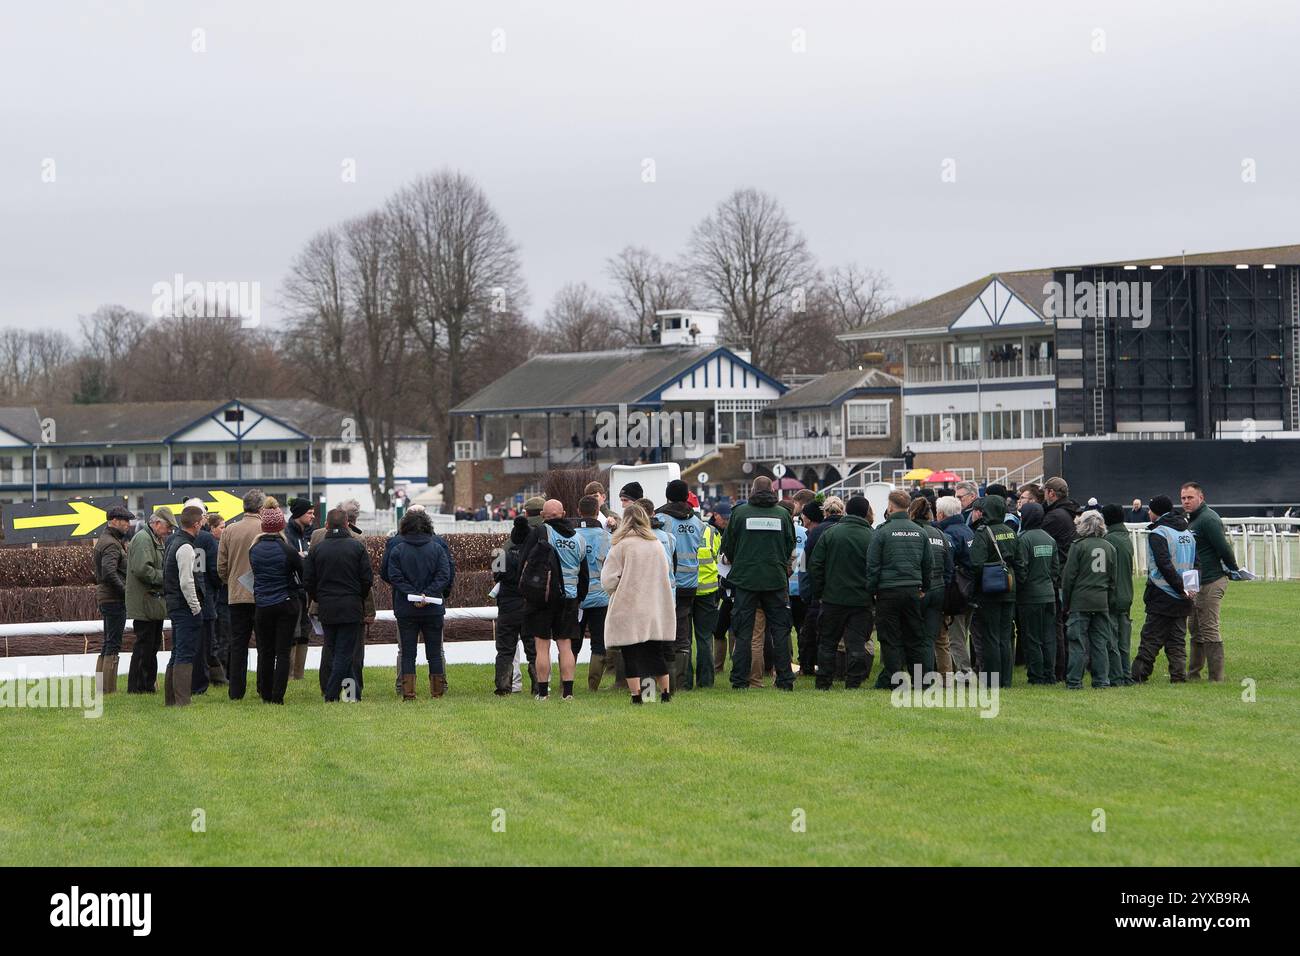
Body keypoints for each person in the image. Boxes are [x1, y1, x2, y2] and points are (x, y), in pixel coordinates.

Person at [720, 475, 797, 691]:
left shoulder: (740, 513)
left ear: (752, 490)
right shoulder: (783, 514)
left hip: (746, 581)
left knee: (743, 632)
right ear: (773, 490)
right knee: (780, 632)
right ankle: (785, 680)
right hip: (775, 579)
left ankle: (739, 680)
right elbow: (789, 545)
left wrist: (742, 561)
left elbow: (728, 546)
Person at [601, 503, 677, 704]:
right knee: (655, 652)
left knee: (631, 653)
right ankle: (665, 694)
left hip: (629, 605)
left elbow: (608, 580)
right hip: (654, 605)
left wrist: (620, 587)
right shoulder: (656, 544)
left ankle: (637, 696)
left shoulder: (621, 545)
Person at [517, 498, 589, 700]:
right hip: (569, 598)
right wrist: (578, 598)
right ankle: (568, 693)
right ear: (564, 514)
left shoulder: (540, 532)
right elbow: (584, 575)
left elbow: (524, 562)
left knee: (542, 646)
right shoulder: (579, 539)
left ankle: (542, 693)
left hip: (543, 598)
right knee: (565, 645)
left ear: (542, 516)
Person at [303, 507, 373, 701]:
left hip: (326, 606)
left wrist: (318, 597)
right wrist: (359, 596)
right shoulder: (357, 546)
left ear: (326, 525)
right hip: (351, 605)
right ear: (347, 524)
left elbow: (308, 580)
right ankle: (338, 694)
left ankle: (341, 692)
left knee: (332, 649)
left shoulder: (317, 548)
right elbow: (367, 579)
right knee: (347, 653)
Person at [386, 509, 454, 700]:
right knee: (434, 652)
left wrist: (414, 595)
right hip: (433, 607)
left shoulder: (398, 549)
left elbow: (394, 577)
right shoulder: (437, 548)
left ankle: (408, 693)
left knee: (408, 653)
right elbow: (444, 575)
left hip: (406, 608)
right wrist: (428, 594)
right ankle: (437, 692)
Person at [867, 490, 931, 688]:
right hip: (912, 590)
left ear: (891, 507)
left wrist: (872, 590)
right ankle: (921, 681)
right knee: (915, 638)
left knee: (890, 638)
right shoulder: (919, 531)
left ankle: (896, 681)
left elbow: (873, 565)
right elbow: (927, 563)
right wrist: (924, 587)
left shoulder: (882, 531)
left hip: (888, 591)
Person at [809, 494, 874, 689]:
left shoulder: (831, 533)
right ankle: (853, 682)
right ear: (865, 513)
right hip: (861, 600)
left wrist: (820, 591)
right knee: (856, 644)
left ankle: (823, 681)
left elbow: (816, 565)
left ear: (846, 510)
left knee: (828, 642)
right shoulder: (872, 536)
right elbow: (877, 568)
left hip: (832, 598)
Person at [1131, 495, 1196, 683]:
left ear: (1156, 512)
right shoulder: (1188, 532)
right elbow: (1196, 562)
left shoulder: (1158, 533)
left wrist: (1179, 587)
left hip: (1162, 592)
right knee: (1177, 640)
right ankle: (1178, 676)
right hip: (1184, 596)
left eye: (1150, 510)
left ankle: (1138, 675)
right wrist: (1189, 588)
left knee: (1151, 638)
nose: (1148, 512)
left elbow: (1164, 565)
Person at [1182, 482, 1239, 682]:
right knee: (1195, 628)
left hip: (1212, 580)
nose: (1186, 502)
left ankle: (1216, 678)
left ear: (1201, 497)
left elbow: (1223, 548)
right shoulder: (1193, 520)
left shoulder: (1208, 519)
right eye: (1183, 498)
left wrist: (1234, 569)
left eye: (1190, 498)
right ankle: (1194, 674)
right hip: (1196, 582)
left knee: (1209, 628)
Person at [656, 480, 708, 692]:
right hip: (690, 583)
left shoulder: (661, 519)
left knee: (664, 631)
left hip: (668, 583)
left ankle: (667, 682)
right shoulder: (697, 521)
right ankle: (683, 682)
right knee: (683, 634)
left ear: (667, 496)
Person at [248, 506, 303, 704]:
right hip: (285, 603)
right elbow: (302, 574)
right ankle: (277, 696)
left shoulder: (254, 549)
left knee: (266, 651)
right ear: (281, 526)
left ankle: (265, 693)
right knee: (283, 652)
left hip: (262, 605)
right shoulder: (287, 549)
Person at [217, 489, 267, 700]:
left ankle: (236, 691)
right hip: (263, 595)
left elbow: (221, 566)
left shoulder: (229, 530)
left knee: (238, 645)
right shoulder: (266, 528)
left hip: (236, 596)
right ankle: (264, 687)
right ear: (262, 508)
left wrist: (231, 582)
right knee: (265, 645)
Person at [967, 494, 1019, 688]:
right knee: (1006, 636)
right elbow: (1020, 562)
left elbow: (976, 563)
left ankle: (993, 680)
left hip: (989, 591)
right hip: (1010, 587)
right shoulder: (1011, 531)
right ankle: (1007, 680)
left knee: (990, 636)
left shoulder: (983, 532)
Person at [1060, 510, 1116, 689]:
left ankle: (1075, 681)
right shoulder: (1110, 547)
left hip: (1080, 601)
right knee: (1100, 642)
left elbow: (1068, 578)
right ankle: (1101, 680)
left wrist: (1066, 602)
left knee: (1077, 642)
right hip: (1101, 601)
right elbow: (1113, 580)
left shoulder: (1078, 546)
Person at [162, 506, 207, 707]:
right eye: (202, 522)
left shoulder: (174, 542)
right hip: (184, 607)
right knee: (185, 652)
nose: (203, 525)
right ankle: (182, 701)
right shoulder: (187, 547)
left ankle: (172, 700)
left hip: (174, 604)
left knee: (177, 651)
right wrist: (196, 608)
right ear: (196, 524)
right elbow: (187, 582)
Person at [126, 507, 174, 694]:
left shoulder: (153, 538)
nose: (169, 531)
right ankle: (138, 687)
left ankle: (146, 685)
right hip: (145, 603)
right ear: (157, 523)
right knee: (145, 645)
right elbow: (143, 570)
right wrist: (167, 577)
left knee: (151, 645)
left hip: (151, 602)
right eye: (168, 526)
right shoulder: (144, 539)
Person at [1040, 476, 1081, 683]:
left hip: (1059, 575)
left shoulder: (1055, 516)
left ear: (1051, 493)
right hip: (1067, 573)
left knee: (1058, 625)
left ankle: (1060, 668)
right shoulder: (1067, 513)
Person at [1013, 502, 1059, 684]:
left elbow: (1021, 569)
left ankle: (1036, 676)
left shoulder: (1024, 539)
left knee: (1032, 638)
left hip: (1030, 597)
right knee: (1049, 637)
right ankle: (1050, 675)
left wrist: (1020, 587)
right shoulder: (1049, 539)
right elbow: (1056, 569)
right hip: (1049, 594)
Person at [493, 516, 537, 695]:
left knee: (505, 649)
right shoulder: (536, 552)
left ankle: (503, 687)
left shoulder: (499, 552)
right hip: (530, 604)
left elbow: (496, 577)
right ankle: (538, 685)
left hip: (507, 606)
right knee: (533, 649)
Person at [575, 495, 614, 691]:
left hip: (577, 599)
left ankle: (567, 682)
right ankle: (593, 686)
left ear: (579, 511)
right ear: (597, 512)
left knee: (573, 640)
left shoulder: (571, 536)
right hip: (601, 597)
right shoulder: (607, 537)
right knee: (599, 643)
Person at [93, 505, 134, 695]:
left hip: (107, 597)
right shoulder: (111, 543)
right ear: (114, 521)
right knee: (113, 643)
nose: (128, 524)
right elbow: (109, 571)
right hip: (113, 599)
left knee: (108, 642)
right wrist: (125, 590)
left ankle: (102, 687)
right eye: (125, 520)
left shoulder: (107, 539)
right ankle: (108, 689)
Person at [910, 497, 951, 678]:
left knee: (915, 638)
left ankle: (921, 677)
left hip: (919, 589)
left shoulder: (913, 533)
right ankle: (929, 677)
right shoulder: (939, 534)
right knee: (929, 639)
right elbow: (949, 567)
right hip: (939, 589)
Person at [935, 495, 975, 681]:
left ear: (941, 514)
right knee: (963, 633)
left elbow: (948, 567)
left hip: (957, 592)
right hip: (971, 589)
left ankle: (965, 674)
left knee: (955, 637)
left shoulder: (949, 534)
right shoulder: (968, 531)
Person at [1102, 503, 1136, 686]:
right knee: (1124, 641)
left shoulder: (1109, 540)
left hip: (1113, 595)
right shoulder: (1126, 538)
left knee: (1112, 641)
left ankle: (1116, 677)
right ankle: (1126, 674)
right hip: (1126, 594)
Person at [796, 500, 830, 678]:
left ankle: (807, 666)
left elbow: (805, 567)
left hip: (814, 593)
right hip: (825, 591)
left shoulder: (814, 535)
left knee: (808, 633)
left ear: (807, 518)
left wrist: (808, 592)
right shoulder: (819, 532)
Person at [688, 509, 722, 688]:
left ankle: (684, 681)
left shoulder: (679, 532)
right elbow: (718, 557)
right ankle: (706, 682)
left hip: (685, 590)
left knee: (684, 639)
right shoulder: (711, 532)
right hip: (708, 592)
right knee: (704, 638)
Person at [284, 498, 316, 681]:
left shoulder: (307, 533)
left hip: (304, 591)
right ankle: (288, 674)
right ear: (298, 515)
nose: (312, 516)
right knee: (292, 632)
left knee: (304, 631)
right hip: (292, 591)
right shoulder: (288, 534)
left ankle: (299, 675)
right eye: (309, 513)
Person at [778, 499, 809, 677]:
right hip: (801, 587)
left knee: (783, 629)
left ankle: (786, 662)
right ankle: (804, 662)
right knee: (802, 628)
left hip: (783, 586)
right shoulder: (803, 532)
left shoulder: (779, 531)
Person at [205, 513, 231, 685]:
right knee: (222, 638)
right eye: (222, 527)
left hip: (221, 598)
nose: (225, 530)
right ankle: (220, 676)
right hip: (220, 599)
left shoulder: (220, 545)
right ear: (212, 528)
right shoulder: (214, 547)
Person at [709, 502, 733, 677]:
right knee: (718, 629)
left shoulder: (731, 531)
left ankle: (733, 661)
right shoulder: (709, 530)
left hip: (729, 585)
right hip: (716, 584)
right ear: (715, 515)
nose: (725, 521)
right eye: (723, 518)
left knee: (733, 629)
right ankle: (718, 666)